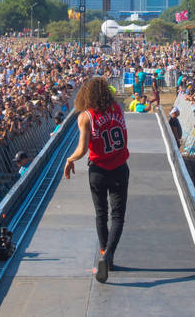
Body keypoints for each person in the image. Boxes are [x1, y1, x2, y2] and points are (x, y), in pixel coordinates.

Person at [64, 76, 129, 283]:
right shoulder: (117, 109)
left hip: (98, 170)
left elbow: (82, 149)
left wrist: (70, 159)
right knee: (117, 216)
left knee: (101, 214)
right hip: (119, 167)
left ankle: (103, 253)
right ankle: (109, 256)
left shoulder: (86, 117)